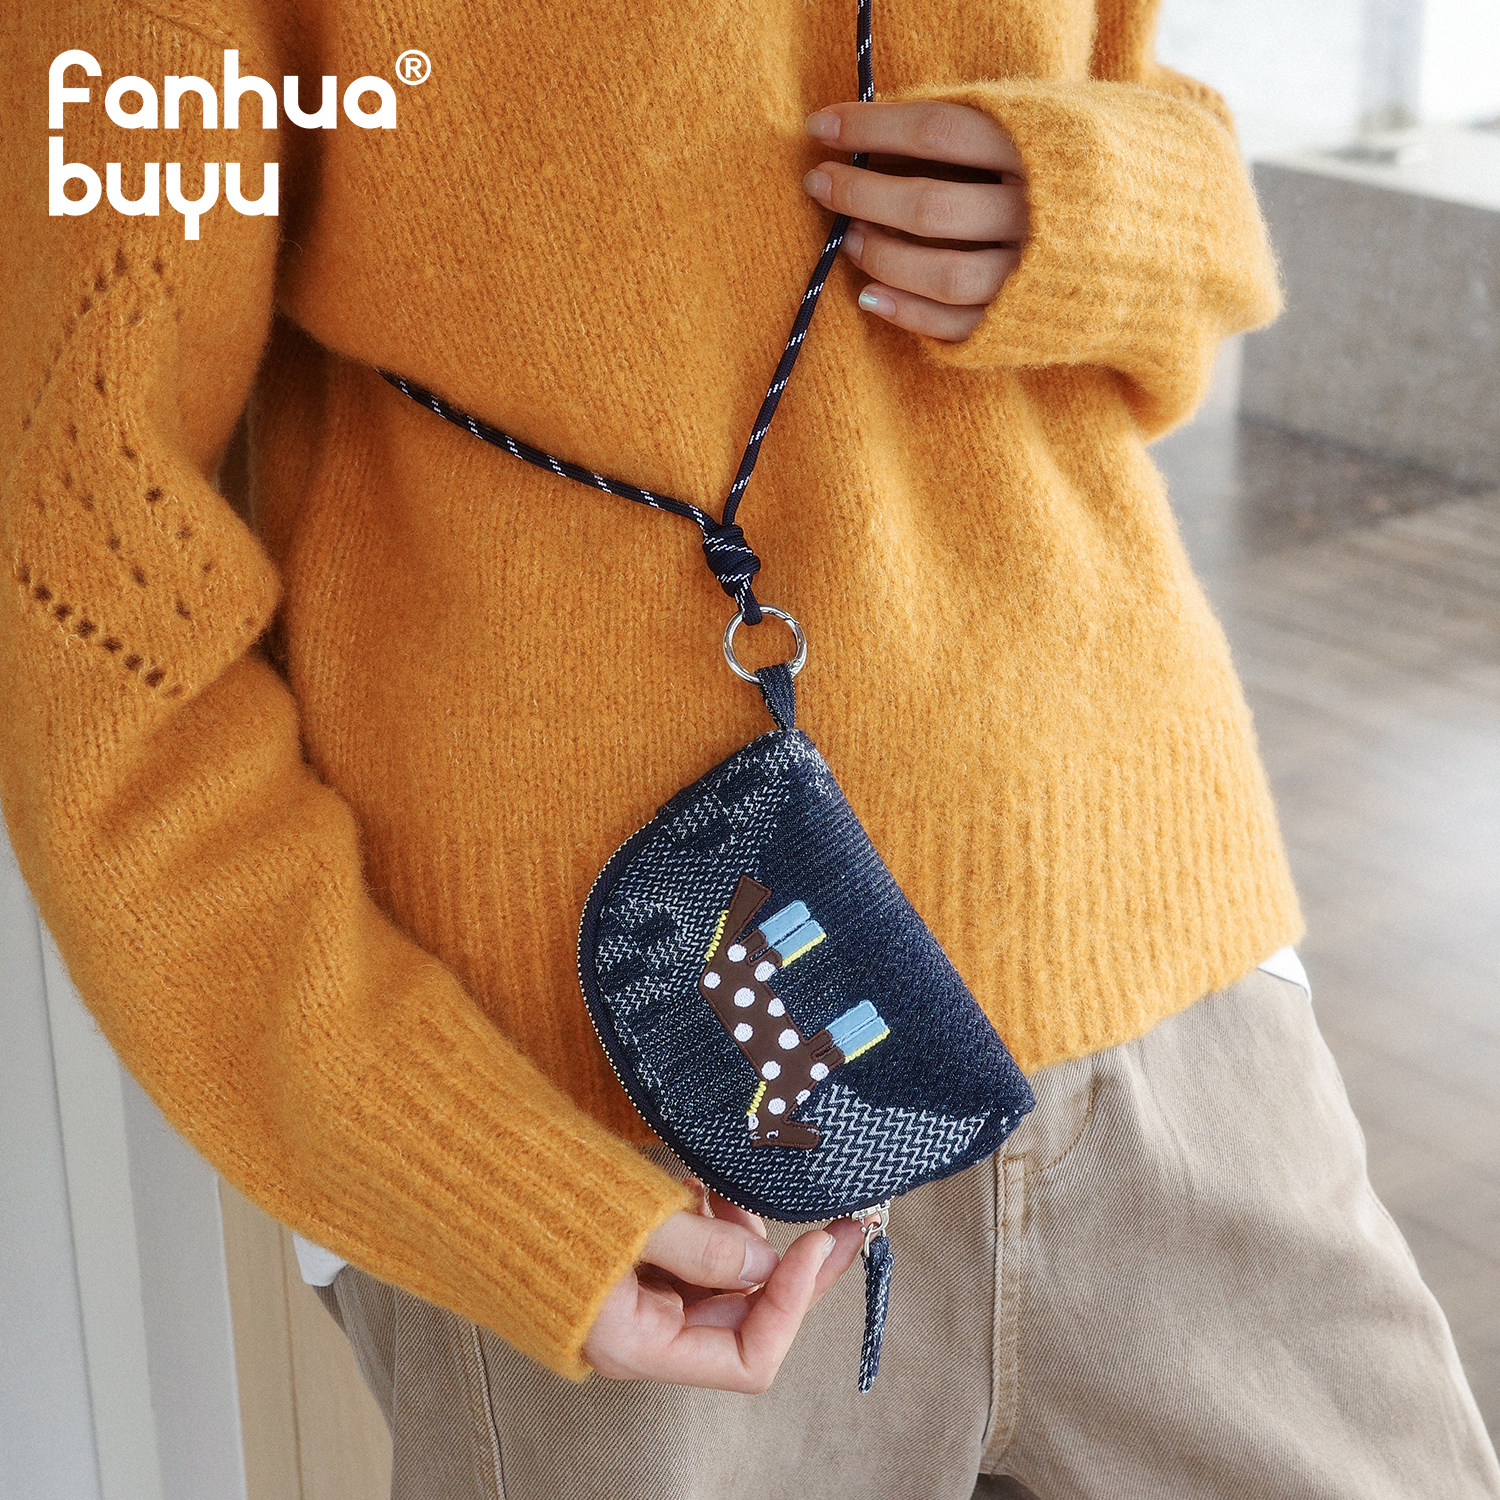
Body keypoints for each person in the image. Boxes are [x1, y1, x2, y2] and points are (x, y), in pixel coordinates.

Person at [4, 1, 1497, 1496]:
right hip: (629, 1138)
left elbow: (1144, 120)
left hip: (1167, 996)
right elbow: (78, 595)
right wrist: (453, 1160)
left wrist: (1113, 202)